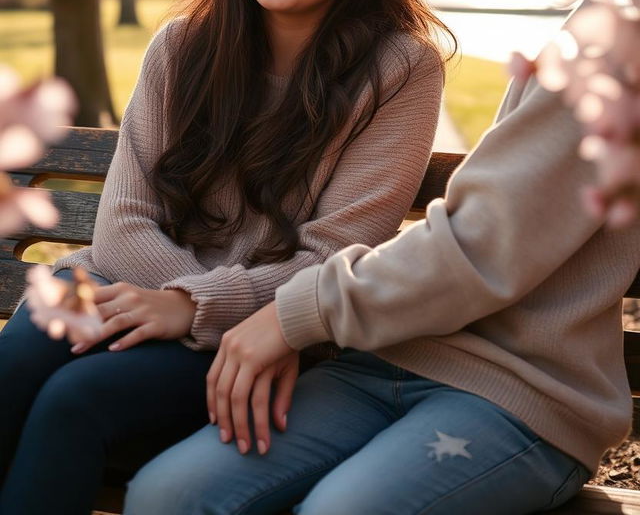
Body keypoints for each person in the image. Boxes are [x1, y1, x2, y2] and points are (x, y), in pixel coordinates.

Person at [0, 0, 451, 515]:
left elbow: (334, 256)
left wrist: (192, 308)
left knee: (77, 400)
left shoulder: (400, 68)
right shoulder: (182, 46)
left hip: (262, 331)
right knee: (21, 354)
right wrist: (176, 299)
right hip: (125, 284)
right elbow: (122, 223)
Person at [124, 69, 640, 515]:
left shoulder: (616, 44)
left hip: (522, 393)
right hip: (387, 357)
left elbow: (480, 244)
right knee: (166, 495)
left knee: (342, 511)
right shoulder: (599, 14)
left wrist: (294, 315)